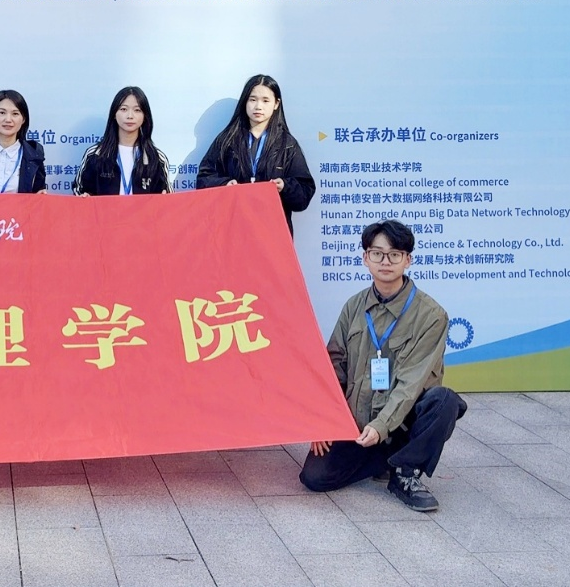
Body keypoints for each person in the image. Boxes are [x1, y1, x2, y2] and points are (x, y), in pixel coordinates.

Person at [299, 220, 467, 512]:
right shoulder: (354, 306)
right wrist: (322, 420)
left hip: (401, 423)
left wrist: (381, 426)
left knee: (444, 401)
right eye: (377, 253)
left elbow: (411, 383)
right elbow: (333, 366)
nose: (385, 261)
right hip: (358, 422)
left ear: (407, 260)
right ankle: (386, 460)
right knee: (314, 477)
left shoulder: (431, 315)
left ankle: (405, 472)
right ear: (366, 258)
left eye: (394, 254)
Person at [195, 74, 315, 235]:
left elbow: (305, 192)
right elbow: (204, 178)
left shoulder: (287, 144)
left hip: (272, 233)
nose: (258, 106)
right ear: (245, 102)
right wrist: (225, 184)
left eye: (265, 100)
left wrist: (285, 186)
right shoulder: (227, 140)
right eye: (253, 100)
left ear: (276, 104)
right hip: (233, 230)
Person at [73, 86, 171, 195]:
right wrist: (84, 196)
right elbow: (79, 190)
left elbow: (168, 195)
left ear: (145, 116)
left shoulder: (156, 158)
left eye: (137, 110)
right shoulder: (95, 154)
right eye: (124, 109)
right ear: (114, 114)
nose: (130, 116)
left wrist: (165, 198)